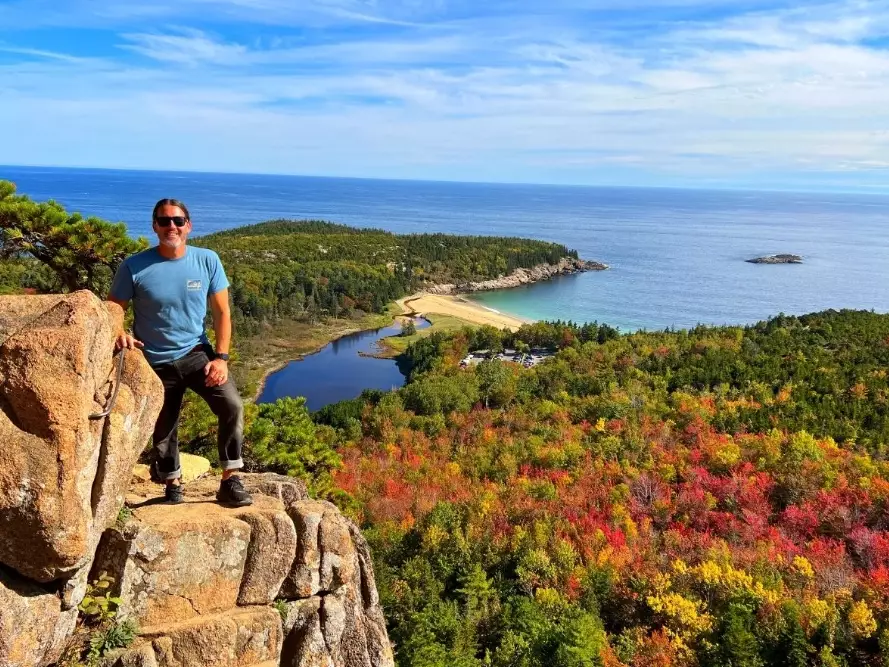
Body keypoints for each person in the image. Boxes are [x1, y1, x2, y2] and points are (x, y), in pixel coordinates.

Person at [107, 198, 253, 506]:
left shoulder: (207, 260)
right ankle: (171, 482)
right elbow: (113, 307)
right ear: (154, 226)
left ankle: (230, 479)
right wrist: (119, 331)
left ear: (188, 225)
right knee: (164, 425)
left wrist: (221, 358)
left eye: (177, 220)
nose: (171, 226)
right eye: (164, 221)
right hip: (154, 360)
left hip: (197, 354)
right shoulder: (134, 266)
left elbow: (223, 313)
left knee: (232, 406)